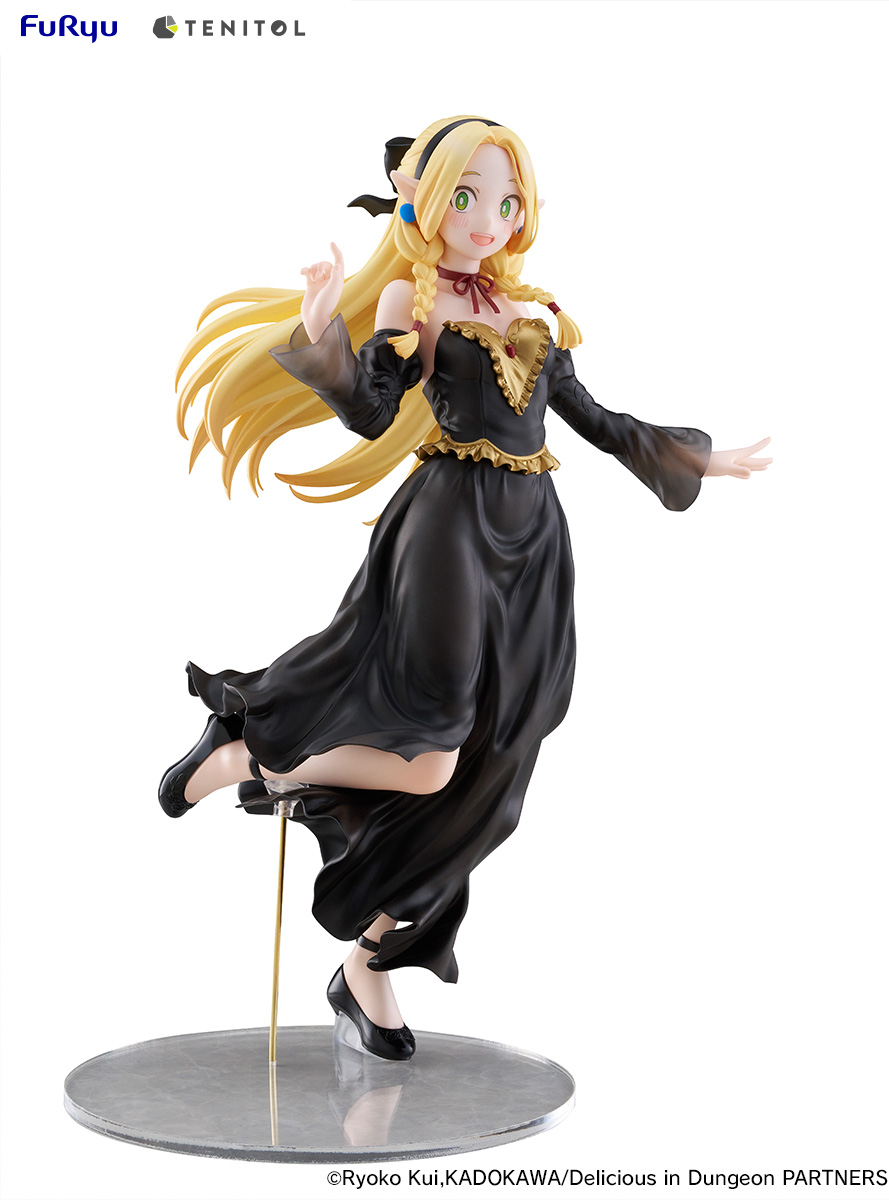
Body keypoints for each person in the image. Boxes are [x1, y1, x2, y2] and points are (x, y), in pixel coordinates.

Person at [160, 115, 771, 1061]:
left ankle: (368, 962)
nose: (489, 218)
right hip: (447, 530)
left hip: (534, 547)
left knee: (494, 769)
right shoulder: (413, 299)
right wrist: (320, 330)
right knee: (431, 751)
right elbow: (372, 414)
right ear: (424, 201)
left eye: (507, 199)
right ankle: (256, 756)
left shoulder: (534, 310)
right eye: (467, 196)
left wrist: (700, 456)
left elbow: (594, 418)